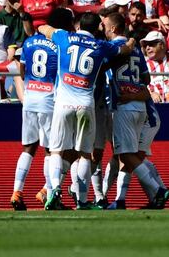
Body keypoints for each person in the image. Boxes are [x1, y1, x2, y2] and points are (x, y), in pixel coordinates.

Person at [38, 13, 135, 210]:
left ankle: (54, 189)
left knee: (56, 151)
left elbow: (43, 29)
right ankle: (82, 201)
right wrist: (132, 39)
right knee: (84, 155)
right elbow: (125, 49)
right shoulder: (101, 45)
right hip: (85, 104)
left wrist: (47, 30)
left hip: (63, 103)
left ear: (79, 25)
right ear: (98, 27)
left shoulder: (64, 37)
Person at [102, 12, 169, 210]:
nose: (103, 29)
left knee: (127, 155)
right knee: (127, 155)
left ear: (113, 28)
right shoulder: (137, 51)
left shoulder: (112, 47)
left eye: (106, 25)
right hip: (140, 106)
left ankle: (158, 190)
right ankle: (120, 200)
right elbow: (147, 79)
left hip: (123, 106)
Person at [10, 9, 73, 210]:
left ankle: (16, 192)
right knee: (51, 151)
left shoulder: (29, 42)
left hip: (30, 98)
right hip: (49, 100)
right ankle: (49, 194)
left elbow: (21, 70)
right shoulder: (60, 44)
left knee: (28, 147)